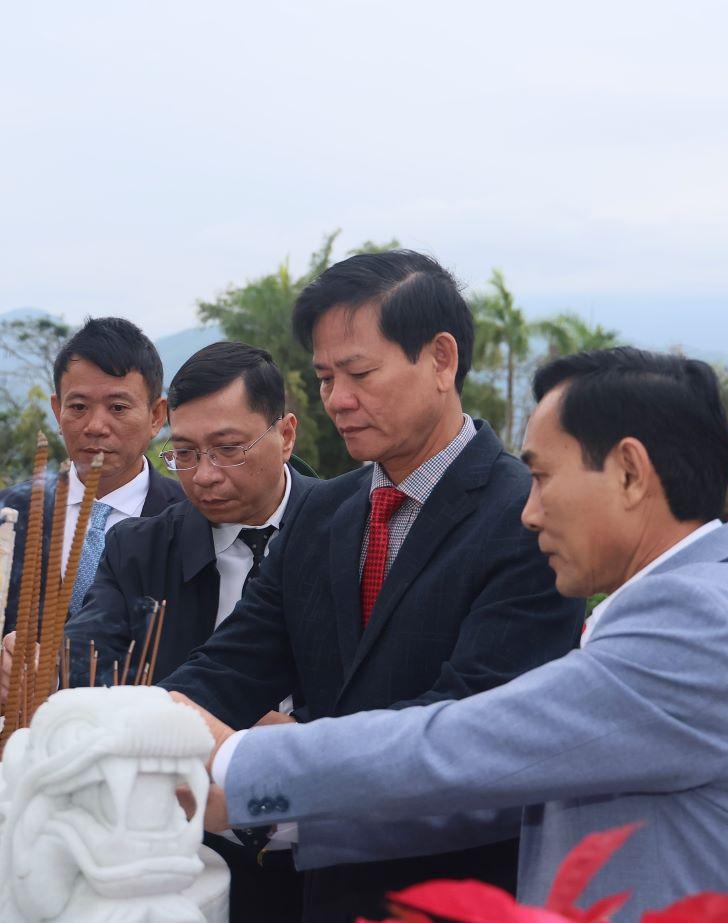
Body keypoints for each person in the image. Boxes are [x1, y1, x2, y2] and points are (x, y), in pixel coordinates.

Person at [179, 347, 728, 923]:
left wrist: (231, 757)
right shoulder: (710, 595)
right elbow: (502, 795)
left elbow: (458, 745)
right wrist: (246, 802)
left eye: (544, 476)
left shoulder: (698, 625)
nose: (529, 510)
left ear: (630, 472)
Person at [159, 250, 584, 923]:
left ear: (440, 360)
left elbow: (464, 728)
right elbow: (234, 660)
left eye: (359, 372)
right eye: (326, 377)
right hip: (326, 896)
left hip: (457, 897)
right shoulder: (323, 514)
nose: (337, 400)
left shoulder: (526, 519)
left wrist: (258, 765)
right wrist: (145, 726)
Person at [62, 341, 319, 920]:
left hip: (327, 858)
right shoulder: (141, 548)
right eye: (183, 453)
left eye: (228, 450)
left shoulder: (344, 532)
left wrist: (295, 736)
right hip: (185, 856)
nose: (203, 476)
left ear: (287, 434)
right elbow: (84, 669)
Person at [0, 316, 185, 644]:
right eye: (79, 406)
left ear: (156, 416)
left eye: (118, 407)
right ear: (57, 411)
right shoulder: (5, 516)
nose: (95, 425)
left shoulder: (190, 519)